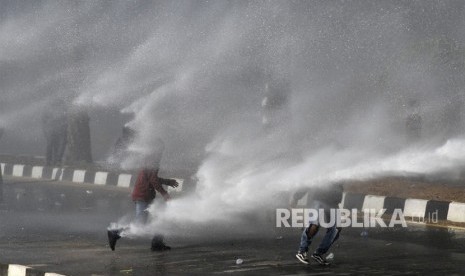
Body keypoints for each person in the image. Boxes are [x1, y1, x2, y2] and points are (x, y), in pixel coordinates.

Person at [108, 139, 178, 251]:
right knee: (140, 224)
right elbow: (153, 180)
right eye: (160, 148)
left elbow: (151, 178)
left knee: (158, 217)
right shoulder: (152, 160)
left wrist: (167, 182)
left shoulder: (150, 159)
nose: (162, 151)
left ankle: (157, 242)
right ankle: (116, 232)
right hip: (143, 195)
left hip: (144, 194)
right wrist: (164, 194)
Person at [294, 183, 343, 266]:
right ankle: (302, 251)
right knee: (314, 225)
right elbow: (310, 180)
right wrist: (297, 197)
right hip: (319, 199)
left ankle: (318, 253)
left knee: (336, 229)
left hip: (334, 202)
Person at [41, 99, 68, 166]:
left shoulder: (63, 111)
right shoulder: (49, 111)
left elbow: (65, 121)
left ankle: (55, 161)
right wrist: (46, 130)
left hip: (58, 130)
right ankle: (50, 161)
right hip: (52, 131)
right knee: (52, 145)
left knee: (56, 146)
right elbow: (44, 121)